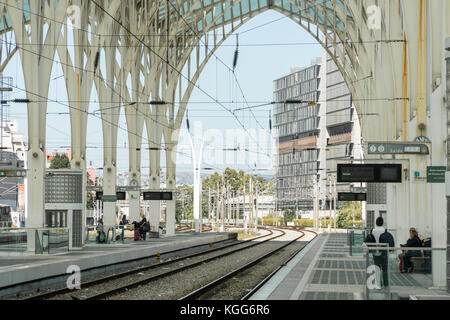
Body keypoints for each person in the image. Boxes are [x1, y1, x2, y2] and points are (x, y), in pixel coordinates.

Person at [371, 217, 389, 287]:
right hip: (384, 251)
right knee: (385, 268)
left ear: (376, 223)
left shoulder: (373, 231)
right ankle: (386, 283)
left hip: (375, 250)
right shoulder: (385, 230)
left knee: (377, 268)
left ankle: (378, 284)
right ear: (382, 223)